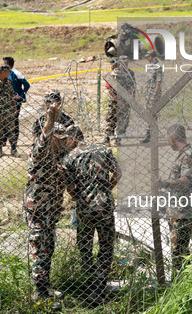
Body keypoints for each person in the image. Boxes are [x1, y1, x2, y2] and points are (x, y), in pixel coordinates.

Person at [62, 126, 119, 304]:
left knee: (85, 246)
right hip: (105, 206)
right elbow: (118, 172)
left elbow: (70, 187)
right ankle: (99, 286)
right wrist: (106, 190)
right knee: (106, 246)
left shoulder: (70, 158)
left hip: (85, 207)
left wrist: (79, 197)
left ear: (74, 138)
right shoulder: (103, 149)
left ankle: (88, 284)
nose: (65, 143)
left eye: (66, 139)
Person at [25, 102, 70, 310]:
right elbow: (44, 138)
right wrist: (51, 118)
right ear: (52, 137)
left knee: (48, 248)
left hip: (50, 210)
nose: (64, 141)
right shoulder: (40, 150)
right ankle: (40, 295)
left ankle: (45, 287)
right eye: (60, 137)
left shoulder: (56, 156)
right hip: (38, 211)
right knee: (39, 249)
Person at [158, 124, 192, 277]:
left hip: (183, 209)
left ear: (173, 137)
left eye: (167, 137)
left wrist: (166, 183)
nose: (167, 141)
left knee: (178, 250)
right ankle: (184, 278)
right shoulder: (183, 155)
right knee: (179, 248)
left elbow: (186, 180)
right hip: (178, 208)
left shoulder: (188, 155)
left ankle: (183, 279)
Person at [0, 65, 18, 158]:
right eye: (8, 72)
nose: (9, 73)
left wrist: (14, 107)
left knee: (11, 130)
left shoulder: (9, 82)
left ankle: (13, 149)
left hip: (8, 110)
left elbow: (11, 94)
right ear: (3, 72)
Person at [2, 57, 30, 148]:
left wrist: (21, 96)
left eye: (4, 63)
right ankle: (3, 141)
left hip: (16, 101)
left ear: (8, 64)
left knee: (14, 120)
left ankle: (14, 141)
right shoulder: (5, 74)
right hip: (7, 101)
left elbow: (27, 85)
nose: (2, 65)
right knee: (4, 120)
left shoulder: (17, 73)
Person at [140, 50, 163, 143]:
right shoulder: (152, 65)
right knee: (151, 113)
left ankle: (149, 134)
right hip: (149, 93)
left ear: (152, 56)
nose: (147, 59)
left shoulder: (158, 66)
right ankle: (152, 132)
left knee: (151, 113)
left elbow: (159, 81)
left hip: (154, 93)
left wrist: (154, 94)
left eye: (148, 57)